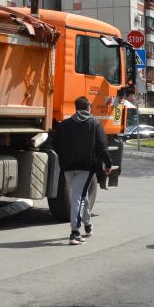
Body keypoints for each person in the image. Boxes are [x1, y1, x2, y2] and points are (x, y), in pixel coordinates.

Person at [52, 96, 113, 246]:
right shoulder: (95, 124)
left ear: (75, 108)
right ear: (89, 108)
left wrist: (66, 157)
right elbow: (102, 146)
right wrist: (108, 163)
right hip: (86, 167)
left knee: (81, 195)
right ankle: (75, 232)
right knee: (78, 197)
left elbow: (55, 144)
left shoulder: (65, 124)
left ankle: (87, 225)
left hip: (67, 168)